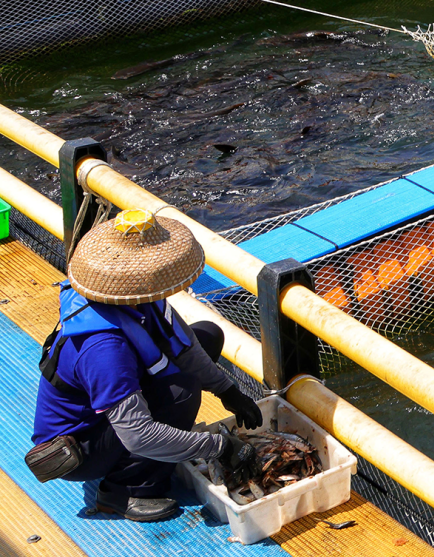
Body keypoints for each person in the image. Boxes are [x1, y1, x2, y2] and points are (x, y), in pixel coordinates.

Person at [27, 208, 262, 523]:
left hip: (110, 410)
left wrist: (227, 390)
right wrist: (218, 447)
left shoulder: (135, 296)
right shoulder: (103, 348)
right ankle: (124, 490)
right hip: (80, 447)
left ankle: (153, 456)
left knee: (207, 335)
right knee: (182, 392)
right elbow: (138, 434)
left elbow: (186, 342)